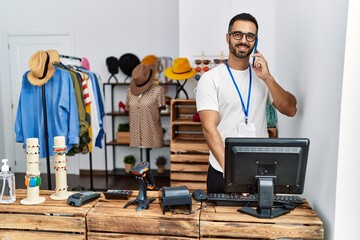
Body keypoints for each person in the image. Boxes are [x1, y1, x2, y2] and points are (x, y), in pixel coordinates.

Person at [196, 13, 297, 193]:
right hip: (223, 171)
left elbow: (290, 109)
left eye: (250, 36)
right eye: (238, 34)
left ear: (255, 41)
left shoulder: (262, 77)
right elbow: (209, 128)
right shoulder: (211, 78)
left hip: (261, 172)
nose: (244, 40)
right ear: (228, 37)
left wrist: (268, 78)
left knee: (259, 221)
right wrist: (234, 175)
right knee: (221, 221)